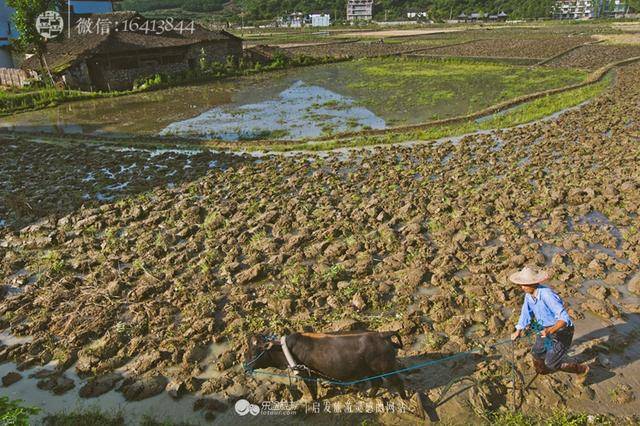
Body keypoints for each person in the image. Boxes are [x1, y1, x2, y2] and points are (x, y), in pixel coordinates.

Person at [509, 266, 589, 384]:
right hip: (544, 328)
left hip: (562, 331)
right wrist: (518, 330)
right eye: (521, 284)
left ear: (534, 283)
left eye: (525, 284)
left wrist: (549, 331)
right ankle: (543, 370)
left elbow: (564, 319)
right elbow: (525, 313)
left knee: (551, 363)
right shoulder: (528, 295)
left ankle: (582, 370)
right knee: (536, 352)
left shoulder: (547, 295)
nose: (522, 287)